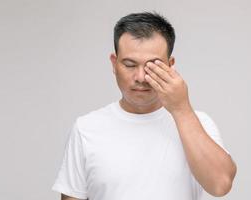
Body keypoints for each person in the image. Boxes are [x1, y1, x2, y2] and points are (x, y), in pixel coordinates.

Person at [52, 11, 237, 200]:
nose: (140, 77)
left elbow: (220, 185)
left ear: (170, 65)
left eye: (153, 66)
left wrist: (181, 109)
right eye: (130, 65)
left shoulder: (198, 122)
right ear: (114, 64)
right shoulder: (86, 129)